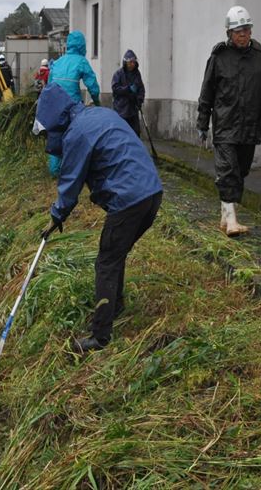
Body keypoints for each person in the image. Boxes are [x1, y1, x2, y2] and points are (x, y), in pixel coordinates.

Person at [34, 83, 162, 353]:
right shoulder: (97, 115)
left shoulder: (77, 133)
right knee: (115, 255)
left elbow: (70, 184)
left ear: (56, 120)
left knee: (106, 261)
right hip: (151, 192)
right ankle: (115, 305)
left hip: (130, 198)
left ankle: (100, 336)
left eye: (48, 132)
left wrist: (56, 216)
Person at [197, 5, 261, 237]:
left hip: (250, 126)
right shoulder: (219, 58)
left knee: (241, 170)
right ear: (229, 33)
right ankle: (232, 221)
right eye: (238, 31)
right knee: (228, 170)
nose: (243, 34)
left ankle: (225, 217)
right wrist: (202, 123)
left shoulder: (259, 58)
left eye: (246, 30)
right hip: (225, 124)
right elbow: (207, 93)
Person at [46, 30, 101, 176]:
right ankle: (75, 169)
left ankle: (54, 170)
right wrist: (98, 103)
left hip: (55, 106)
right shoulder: (81, 61)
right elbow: (93, 87)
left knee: (56, 135)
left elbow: (49, 85)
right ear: (82, 46)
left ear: (68, 45)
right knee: (76, 135)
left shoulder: (58, 62)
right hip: (72, 106)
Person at [111, 49, 146, 136]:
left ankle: (135, 149)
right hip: (121, 109)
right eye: (130, 62)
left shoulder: (137, 74)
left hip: (133, 109)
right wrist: (128, 89)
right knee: (122, 133)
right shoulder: (118, 74)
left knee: (135, 133)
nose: (132, 64)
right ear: (125, 62)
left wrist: (139, 100)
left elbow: (141, 89)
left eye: (133, 62)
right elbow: (115, 89)